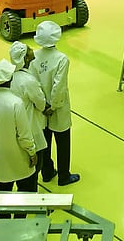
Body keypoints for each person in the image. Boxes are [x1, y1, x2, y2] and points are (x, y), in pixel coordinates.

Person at [0, 60, 38, 219]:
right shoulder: (15, 102)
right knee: (24, 190)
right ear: (10, 79)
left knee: (3, 189)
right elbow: (24, 134)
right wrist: (32, 152)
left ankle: (3, 224)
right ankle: (18, 224)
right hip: (17, 155)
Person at [31, 21, 80, 186]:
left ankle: (46, 172)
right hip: (57, 108)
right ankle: (64, 176)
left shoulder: (34, 57)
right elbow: (59, 86)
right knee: (63, 141)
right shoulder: (61, 59)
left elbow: (33, 83)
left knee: (44, 141)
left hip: (40, 108)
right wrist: (54, 106)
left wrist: (42, 105)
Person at [9, 42, 47, 177]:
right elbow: (40, 103)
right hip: (31, 128)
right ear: (25, 58)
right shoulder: (28, 80)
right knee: (35, 167)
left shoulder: (9, 77)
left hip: (14, 130)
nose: (32, 51)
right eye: (29, 50)